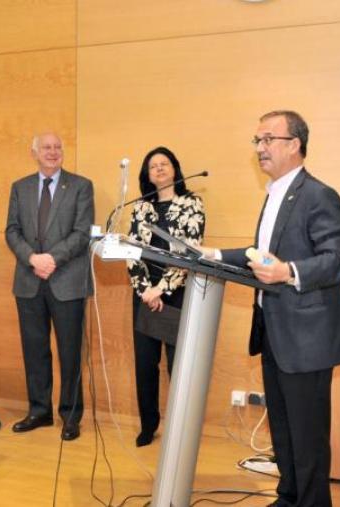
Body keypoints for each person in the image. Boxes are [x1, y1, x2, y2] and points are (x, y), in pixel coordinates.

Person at [204, 111, 340, 507]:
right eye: (257, 141)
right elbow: (259, 255)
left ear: (294, 145)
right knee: (284, 430)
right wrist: (212, 253)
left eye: (268, 139)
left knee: (307, 435)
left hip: (307, 337)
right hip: (274, 331)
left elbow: (339, 259)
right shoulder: (275, 194)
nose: (260, 148)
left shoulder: (318, 195)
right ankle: (289, 498)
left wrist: (288, 271)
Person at [5, 132, 94, 441]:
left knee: (70, 352)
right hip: (29, 281)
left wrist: (51, 259)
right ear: (35, 153)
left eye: (57, 148)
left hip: (66, 281)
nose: (53, 152)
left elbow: (82, 233)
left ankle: (71, 415)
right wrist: (32, 258)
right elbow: (12, 231)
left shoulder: (81, 186)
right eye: (46, 147)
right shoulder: (20, 187)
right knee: (35, 350)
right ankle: (39, 410)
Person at [126, 147, 205, 447]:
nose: (158, 169)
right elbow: (132, 253)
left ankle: (180, 429)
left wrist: (163, 288)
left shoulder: (192, 203)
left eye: (164, 164)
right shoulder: (140, 208)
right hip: (144, 294)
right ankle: (148, 425)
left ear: (175, 169)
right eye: (152, 166)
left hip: (176, 295)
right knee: (145, 365)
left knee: (177, 366)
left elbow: (190, 251)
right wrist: (145, 289)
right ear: (147, 175)